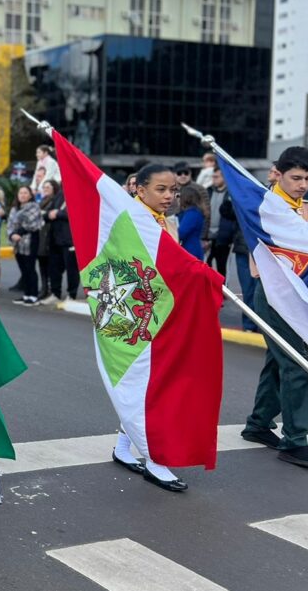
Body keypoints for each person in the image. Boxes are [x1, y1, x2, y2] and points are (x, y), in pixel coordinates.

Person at [241, 146, 308, 468]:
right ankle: (295, 441)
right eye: (295, 178)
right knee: (296, 363)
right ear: (278, 174)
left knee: (277, 360)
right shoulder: (263, 207)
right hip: (271, 293)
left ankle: (258, 424)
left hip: (299, 295)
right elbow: (261, 258)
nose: (303, 184)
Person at [111, 162, 188, 492]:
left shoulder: (168, 222)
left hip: (164, 313)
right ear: (139, 189)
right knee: (148, 387)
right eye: (161, 189)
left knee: (153, 385)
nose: (169, 196)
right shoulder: (130, 221)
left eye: (173, 190)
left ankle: (123, 445)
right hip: (137, 316)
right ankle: (155, 459)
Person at [41, 180, 78, 304]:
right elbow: (47, 213)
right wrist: (50, 214)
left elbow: (76, 213)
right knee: (54, 268)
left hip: (69, 240)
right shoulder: (60, 194)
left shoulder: (77, 194)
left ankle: (71, 295)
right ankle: (55, 293)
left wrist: (58, 213)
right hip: (55, 239)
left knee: (71, 269)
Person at [8, 186, 43, 305]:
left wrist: (18, 232)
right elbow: (10, 224)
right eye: (20, 193)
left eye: (25, 193)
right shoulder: (14, 209)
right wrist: (12, 234)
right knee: (23, 269)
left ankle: (33, 295)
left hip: (30, 241)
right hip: (17, 243)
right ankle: (26, 294)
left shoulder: (34, 207)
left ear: (30, 195)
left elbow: (33, 224)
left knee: (30, 269)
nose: (22, 195)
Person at [205, 166, 236, 278]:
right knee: (205, 264)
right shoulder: (208, 191)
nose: (214, 179)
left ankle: (221, 292)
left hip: (223, 237)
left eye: (216, 177)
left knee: (221, 267)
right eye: (213, 177)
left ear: (223, 177)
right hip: (207, 236)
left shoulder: (230, 193)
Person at [177, 184, 207, 261]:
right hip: (193, 247)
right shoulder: (194, 212)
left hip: (190, 249)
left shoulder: (192, 213)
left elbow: (181, 233)